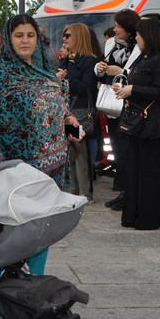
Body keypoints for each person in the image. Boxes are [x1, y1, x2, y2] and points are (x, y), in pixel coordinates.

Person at [0, 14, 82, 275]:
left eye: (30, 35)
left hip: (51, 169)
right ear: (9, 39)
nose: (25, 41)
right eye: (18, 35)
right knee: (8, 233)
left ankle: (34, 283)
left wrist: (71, 124)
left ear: (37, 39)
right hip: (15, 168)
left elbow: (61, 110)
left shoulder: (46, 73)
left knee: (40, 229)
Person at [111, 19, 160, 230]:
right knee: (135, 170)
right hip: (137, 122)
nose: (136, 37)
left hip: (151, 123)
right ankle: (132, 215)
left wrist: (133, 89)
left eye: (139, 34)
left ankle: (147, 218)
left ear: (148, 36)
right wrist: (125, 89)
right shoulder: (143, 57)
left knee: (148, 172)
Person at [95, 9, 142, 210]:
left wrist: (122, 72)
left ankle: (128, 191)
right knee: (115, 145)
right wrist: (99, 68)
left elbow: (142, 73)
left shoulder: (139, 47)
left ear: (130, 30)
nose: (114, 30)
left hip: (131, 105)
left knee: (128, 149)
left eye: (118, 27)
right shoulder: (111, 44)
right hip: (112, 102)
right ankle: (121, 187)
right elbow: (102, 64)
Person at [58, 23, 99, 200]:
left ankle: (84, 191)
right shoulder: (67, 59)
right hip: (67, 109)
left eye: (68, 36)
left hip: (80, 109)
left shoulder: (89, 61)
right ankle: (73, 189)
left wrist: (67, 77)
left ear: (78, 38)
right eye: (64, 35)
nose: (64, 39)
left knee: (80, 151)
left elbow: (88, 88)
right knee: (70, 150)